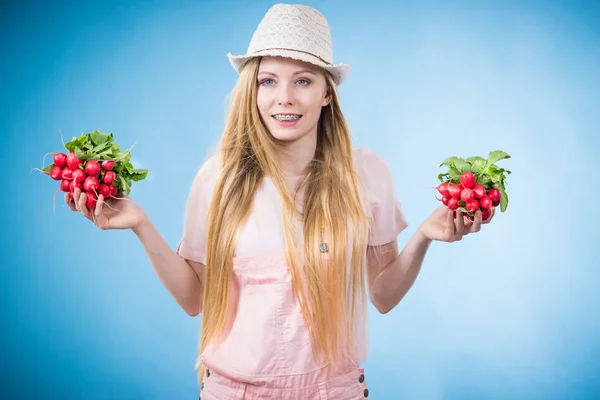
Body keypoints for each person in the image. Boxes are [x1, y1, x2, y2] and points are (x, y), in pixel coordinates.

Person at [66, 3, 495, 399]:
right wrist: (141, 224)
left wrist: (422, 236)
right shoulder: (218, 179)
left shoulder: (366, 173)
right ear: (252, 92)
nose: (283, 98)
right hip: (233, 393)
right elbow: (194, 298)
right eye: (268, 81)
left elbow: (382, 296)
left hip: (336, 391)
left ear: (327, 94)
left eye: (302, 81)